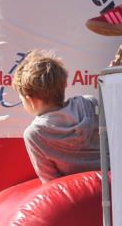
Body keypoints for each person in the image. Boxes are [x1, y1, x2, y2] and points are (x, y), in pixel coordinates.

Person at [11, 51, 100, 183]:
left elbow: (50, 181)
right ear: (64, 85)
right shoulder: (89, 103)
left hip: (77, 194)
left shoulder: (34, 134)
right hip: (113, 180)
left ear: (30, 100)